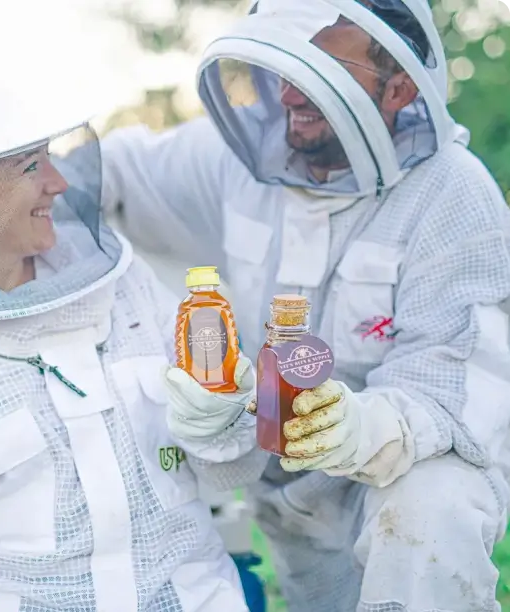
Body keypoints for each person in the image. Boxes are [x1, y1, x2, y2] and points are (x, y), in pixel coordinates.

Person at [99, 0, 510, 610]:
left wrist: (357, 427)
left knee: (432, 505)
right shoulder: (237, 163)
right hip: (288, 505)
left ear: (397, 89)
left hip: (401, 479)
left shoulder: (454, 193)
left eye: (319, 75)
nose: (290, 96)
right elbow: (119, 175)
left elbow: (452, 389)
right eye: (286, 70)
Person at [0, 66, 266, 611]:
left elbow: (232, 471)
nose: (59, 183)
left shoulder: (129, 290)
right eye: (31, 165)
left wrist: (224, 420)